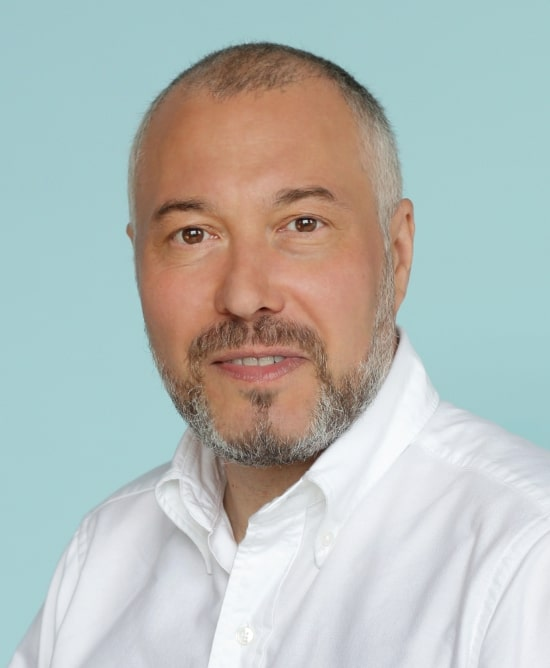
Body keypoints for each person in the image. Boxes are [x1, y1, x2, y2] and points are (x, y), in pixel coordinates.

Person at [10, 42, 550, 667]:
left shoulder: (527, 557)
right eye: (193, 235)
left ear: (397, 254)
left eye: (302, 225)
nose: (245, 296)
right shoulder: (100, 562)